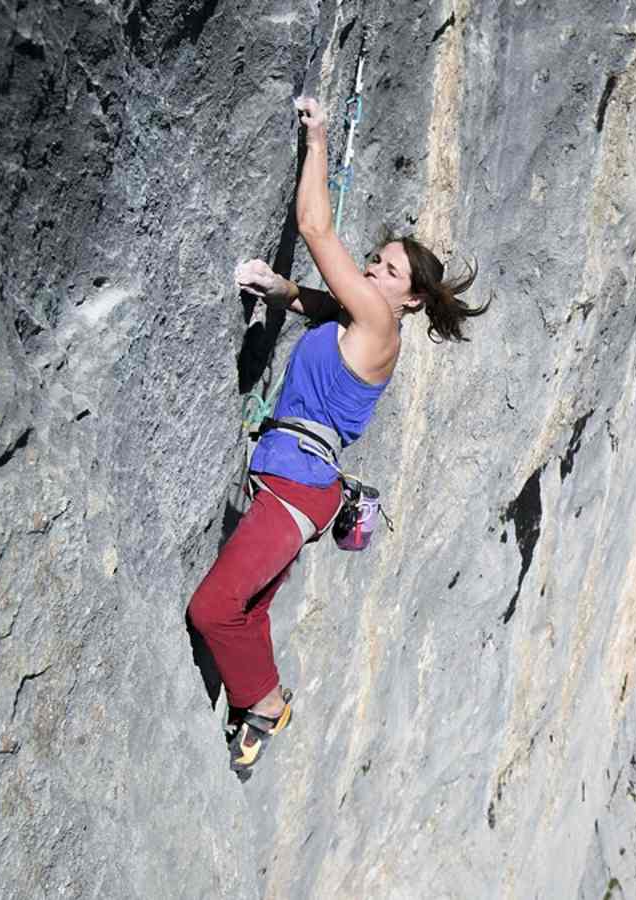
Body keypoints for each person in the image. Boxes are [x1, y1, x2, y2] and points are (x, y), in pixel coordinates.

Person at [187, 96, 486, 777]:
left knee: (213, 608)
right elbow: (312, 302)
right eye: (376, 262)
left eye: (387, 271)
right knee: (250, 606)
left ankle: (264, 706)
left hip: (298, 489)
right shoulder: (359, 319)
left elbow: (317, 228)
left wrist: (317, 137)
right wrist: (274, 286)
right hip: (296, 483)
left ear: (409, 300)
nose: (374, 271)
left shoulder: (381, 328)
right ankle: (263, 704)